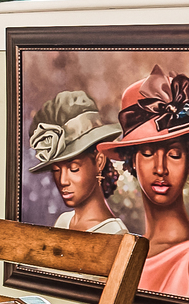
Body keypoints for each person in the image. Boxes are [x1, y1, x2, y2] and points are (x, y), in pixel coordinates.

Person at [103, 69, 189, 303]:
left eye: (174, 154)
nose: (160, 168)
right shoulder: (129, 254)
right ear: (132, 160)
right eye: (148, 153)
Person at [26, 89, 127, 233]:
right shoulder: (63, 222)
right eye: (56, 170)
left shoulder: (114, 233)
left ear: (99, 161)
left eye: (73, 168)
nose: (62, 180)